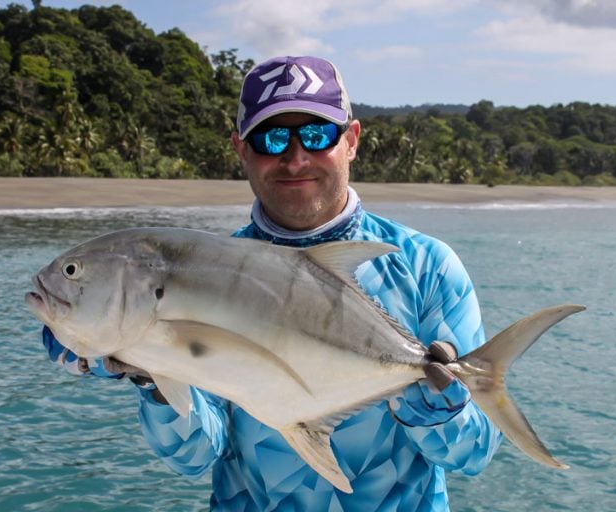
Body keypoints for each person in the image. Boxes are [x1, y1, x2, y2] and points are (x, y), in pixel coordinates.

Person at [42, 55, 501, 511]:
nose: (295, 157)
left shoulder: (425, 265)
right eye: (272, 137)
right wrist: (149, 377)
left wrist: (440, 406)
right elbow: (196, 456)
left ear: (352, 141)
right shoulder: (205, 275)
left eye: (317, 134)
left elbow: (473, 455)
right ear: (241, 149)